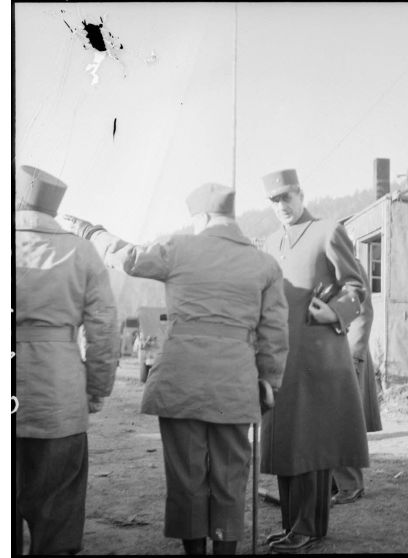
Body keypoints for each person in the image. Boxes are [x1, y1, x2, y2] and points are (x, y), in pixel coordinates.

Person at [62, 182, 289, 555]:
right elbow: (275, 332)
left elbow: (129, 257)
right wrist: (269, 381)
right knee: (231, 476)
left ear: (200, 217)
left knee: (186, 476)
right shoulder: (265, 263)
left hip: (181, 379)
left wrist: (92, 231)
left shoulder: (180, 249)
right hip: (234, 383)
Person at [259, 169, 370, 553]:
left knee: (310, 443)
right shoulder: (270, 243)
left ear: (301, 194)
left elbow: (357, 286)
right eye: (274, 201)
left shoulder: (327, 230)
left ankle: (306, 526)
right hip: (280, 357)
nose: (282, 206)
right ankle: (294, 525)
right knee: (287, 443)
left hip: (318, 356)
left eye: (287, 197)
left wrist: (333, 312)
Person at [15, 165, 119, 555]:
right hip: (59, 400)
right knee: (57, 519)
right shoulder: (81, 250)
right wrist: (95, 390)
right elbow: (104, 329)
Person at [332, 259, 383, 505]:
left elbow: (363, 311)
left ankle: (350, 484)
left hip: (347, 353)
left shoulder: (348, 263)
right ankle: (335, 481)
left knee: (342, 421)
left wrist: (354, 354)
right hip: (328, 352)